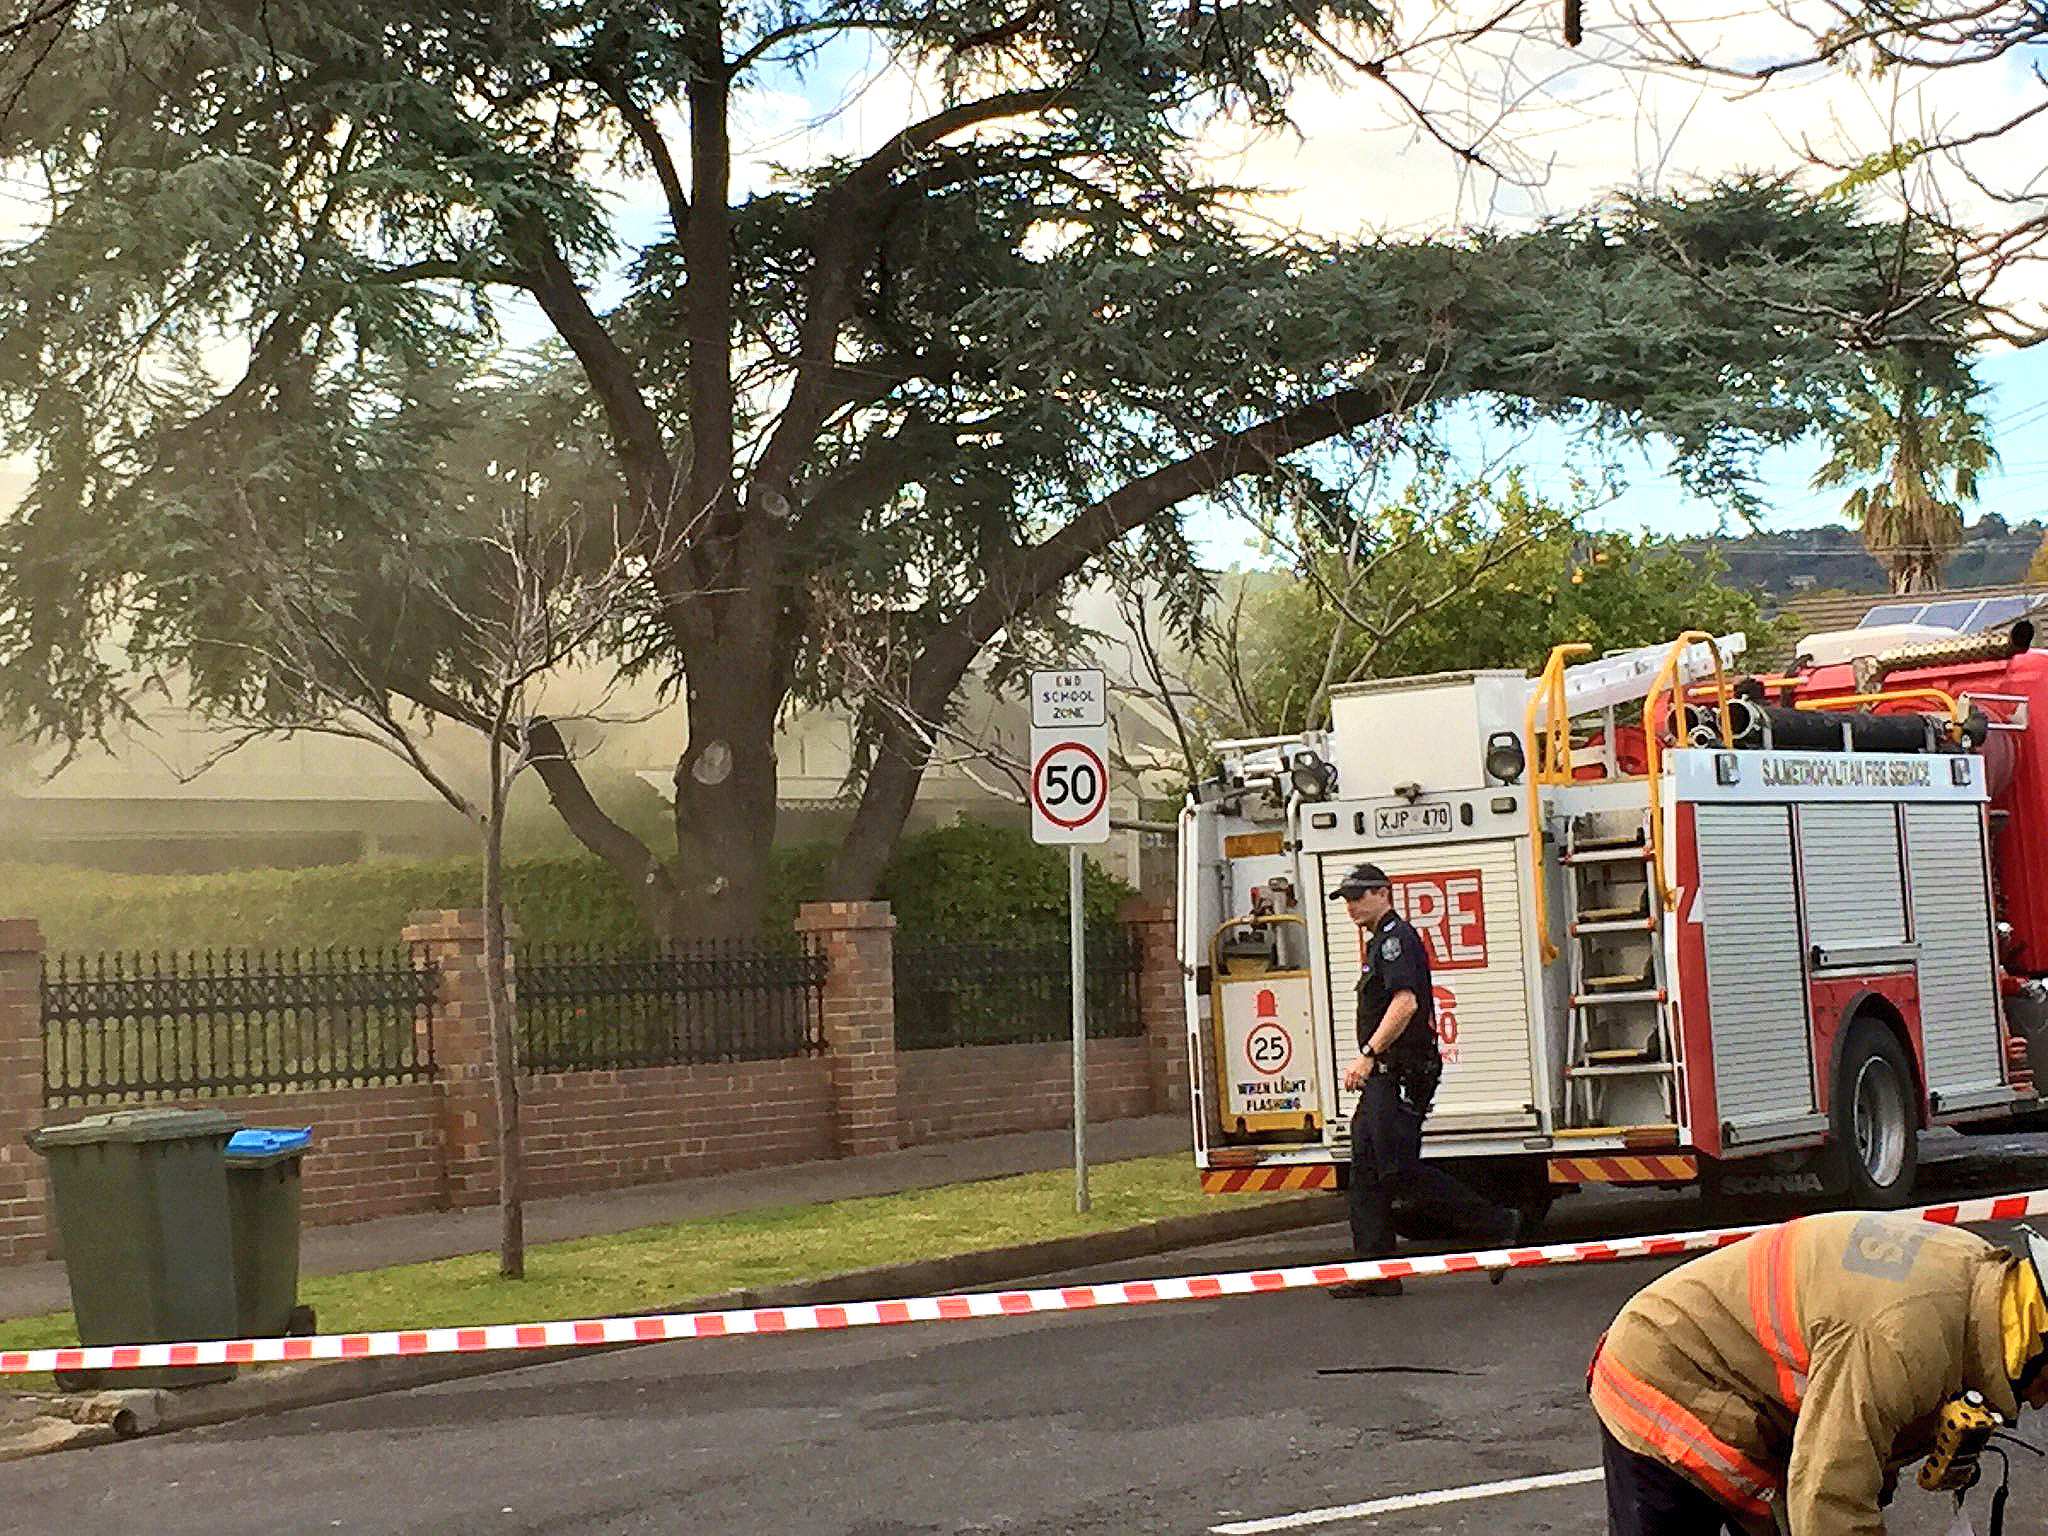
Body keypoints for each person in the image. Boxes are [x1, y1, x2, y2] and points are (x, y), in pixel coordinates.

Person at [1591, 1213, 2048, 1535]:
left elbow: (1857, 1427)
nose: (2041, 1403)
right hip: (1666, 1372)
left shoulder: (1979, 1274)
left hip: (1734, 1382)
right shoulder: (1904, 1338)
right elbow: (1828, 1499)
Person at [1326, 862, 1520, 1298]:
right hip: (1385, 1075)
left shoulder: (1397, 941)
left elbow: (1405, 1003)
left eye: (1359, 896)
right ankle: (1375, 1273)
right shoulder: (1379, 942)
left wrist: (1367, 1055)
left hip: (1398, 1072)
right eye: (1348, 900)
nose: (1352, 906)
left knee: (1398, 1170)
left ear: (1384, 893)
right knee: (1366, 1172)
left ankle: (1497, 1223)